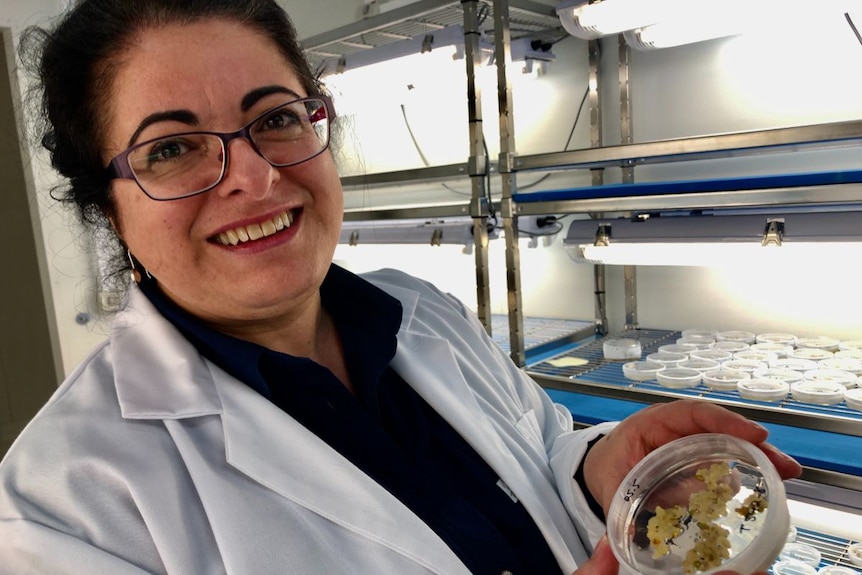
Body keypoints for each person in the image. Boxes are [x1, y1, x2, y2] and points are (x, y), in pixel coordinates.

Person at [0, 1, 801, 573]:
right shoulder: (63, 503)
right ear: (106, 203)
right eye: (172, 148)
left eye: (276, 118)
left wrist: (600, 471)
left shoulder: (420, 315)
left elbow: (538, 452)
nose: (252, 176)